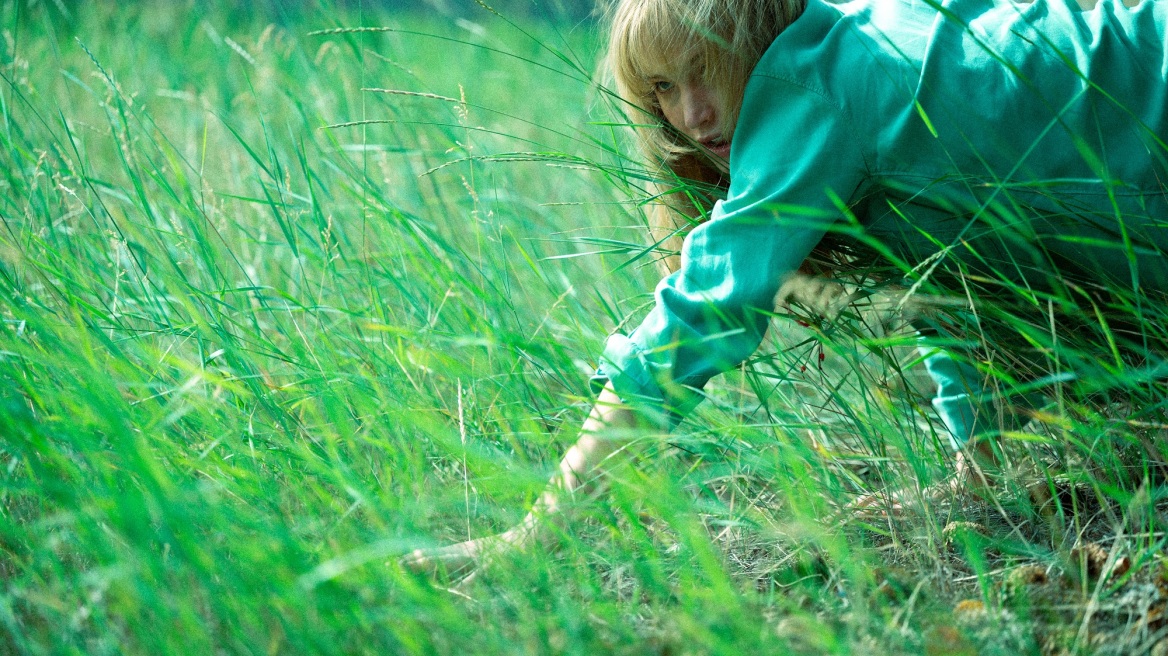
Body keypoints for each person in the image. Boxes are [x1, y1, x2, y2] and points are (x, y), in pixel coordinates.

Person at [403, 0, 1168, 576]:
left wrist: (538, 531)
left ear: (751, 37)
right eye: (664, 87)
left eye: (706, 69)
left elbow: (698, 319)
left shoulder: (808, 90)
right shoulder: (853, 38)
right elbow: (957, 270)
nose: (692, 115)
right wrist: (980, 472)